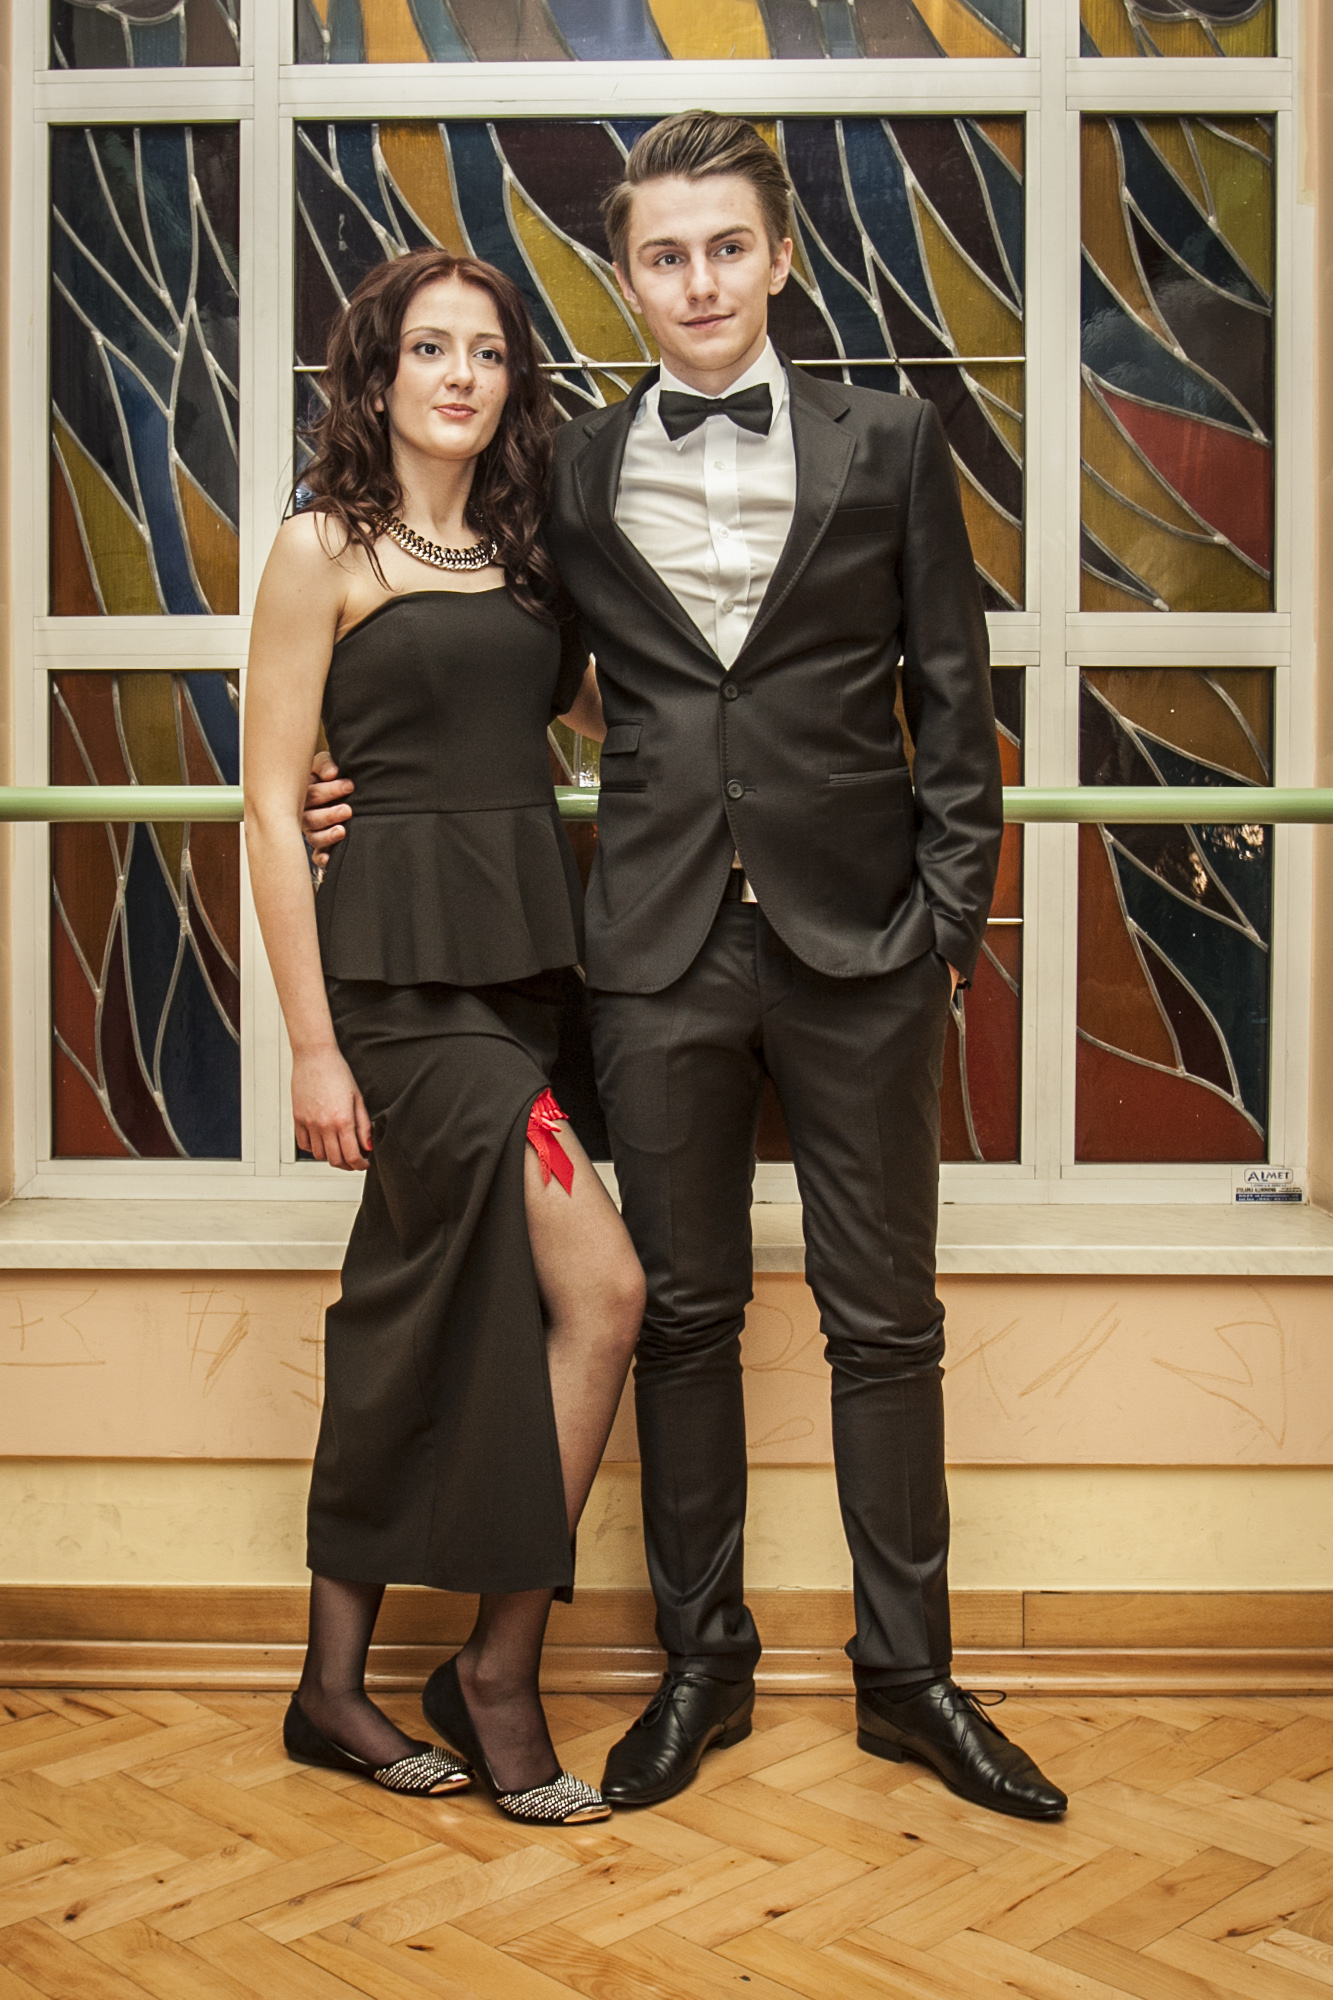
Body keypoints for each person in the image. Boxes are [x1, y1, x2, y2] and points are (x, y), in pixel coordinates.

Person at [303, 114, 1064, 1823]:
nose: (699, 280)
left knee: (886, 1325)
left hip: (864, 947)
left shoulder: (893, 440)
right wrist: (339, 776)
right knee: (684, 1316)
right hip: (648, 951)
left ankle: (910, 1680)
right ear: (627, 279)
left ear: (777, 256)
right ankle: (698, 1666)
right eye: (664, 255)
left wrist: (945, 934)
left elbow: (956, 704)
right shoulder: (565, 476)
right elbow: (474, 656)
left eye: (726, 247)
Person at [244, 247, 644, 1826]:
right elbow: (270, 807)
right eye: (430, 347)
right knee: (602, 1292)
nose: (460, 373)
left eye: (486, 349)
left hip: (520, 972)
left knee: (410, 1314)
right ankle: (496, 1671)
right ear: (380, 371)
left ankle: (331, 1685)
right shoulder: (320, 549)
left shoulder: (534, 558)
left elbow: (608, 713)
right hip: (397, 996)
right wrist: (310, 1048)